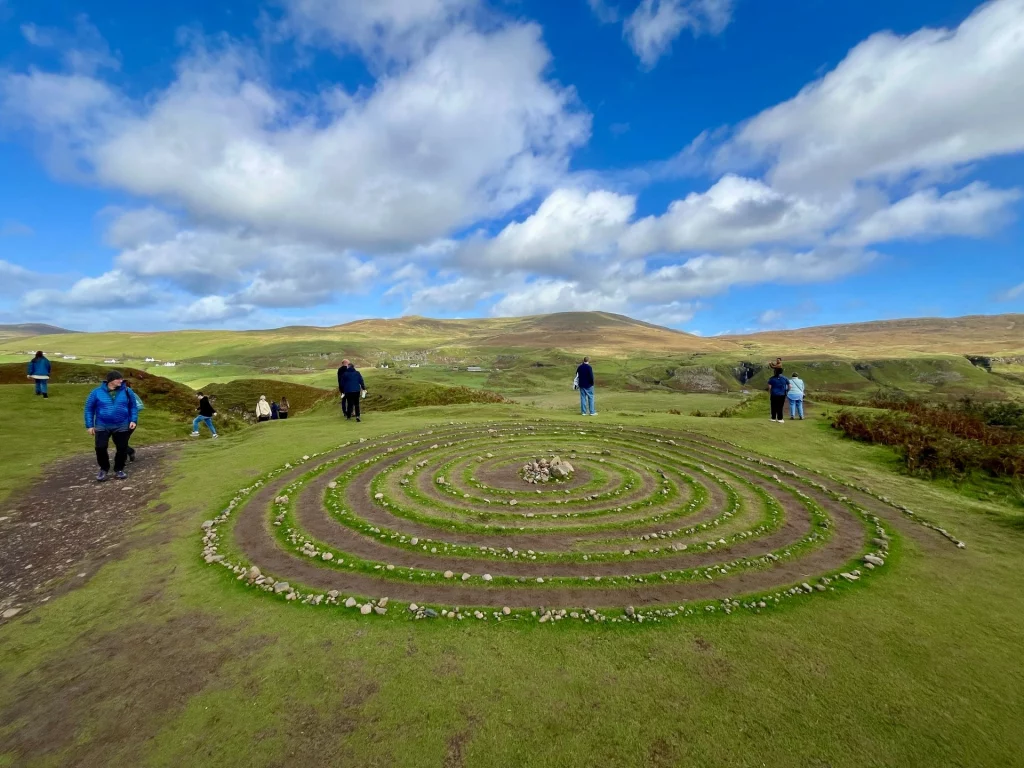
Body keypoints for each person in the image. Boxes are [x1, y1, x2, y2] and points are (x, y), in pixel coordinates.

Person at [84, 370, 138, 481]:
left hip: (122, 424)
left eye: (121, 379)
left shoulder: (127, 391)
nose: (121, 381)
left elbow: (133, 406)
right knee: (100, 447)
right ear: (110, 381)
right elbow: (89, 409)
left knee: (122, 448)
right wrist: (89, 425)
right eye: (118, 379)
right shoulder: (96, 392)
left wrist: (133, 420)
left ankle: (119, 469)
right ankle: (104, 469)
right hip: (102, 424)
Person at [123, 381, 145, 462]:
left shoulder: (132, 395)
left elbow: (140, 406)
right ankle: (129, 452)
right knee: (121, 440)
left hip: (130, 422)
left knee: (121, 440)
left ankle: (125, 457)